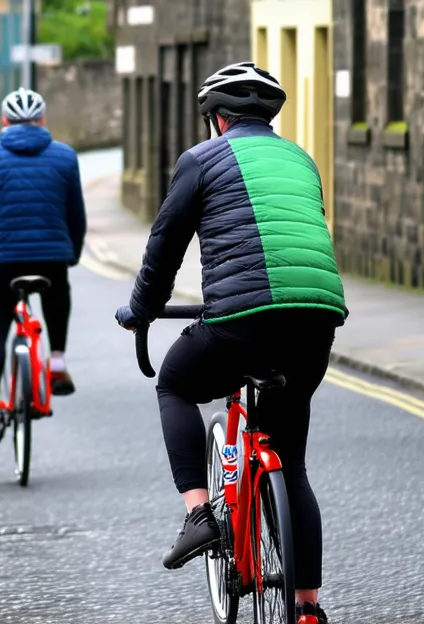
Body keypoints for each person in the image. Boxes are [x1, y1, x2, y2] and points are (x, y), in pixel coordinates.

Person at [113, 62, 345, 624]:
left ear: (217, 118)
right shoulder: (302, 161)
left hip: (242, 318)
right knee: (291, 465)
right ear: (267, 116)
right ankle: (308, 607)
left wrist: (140, 311)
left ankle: (199, 515)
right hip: (318, 318)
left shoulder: (201, 159)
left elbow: (164, 244)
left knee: (175, 383)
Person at [0, 87, 87, 441]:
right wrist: (71, 253)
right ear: (43, 120)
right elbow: (76, 215)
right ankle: (56, 362)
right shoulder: (64, 157)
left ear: (4, 120)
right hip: (51, 258)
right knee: (58, 290)